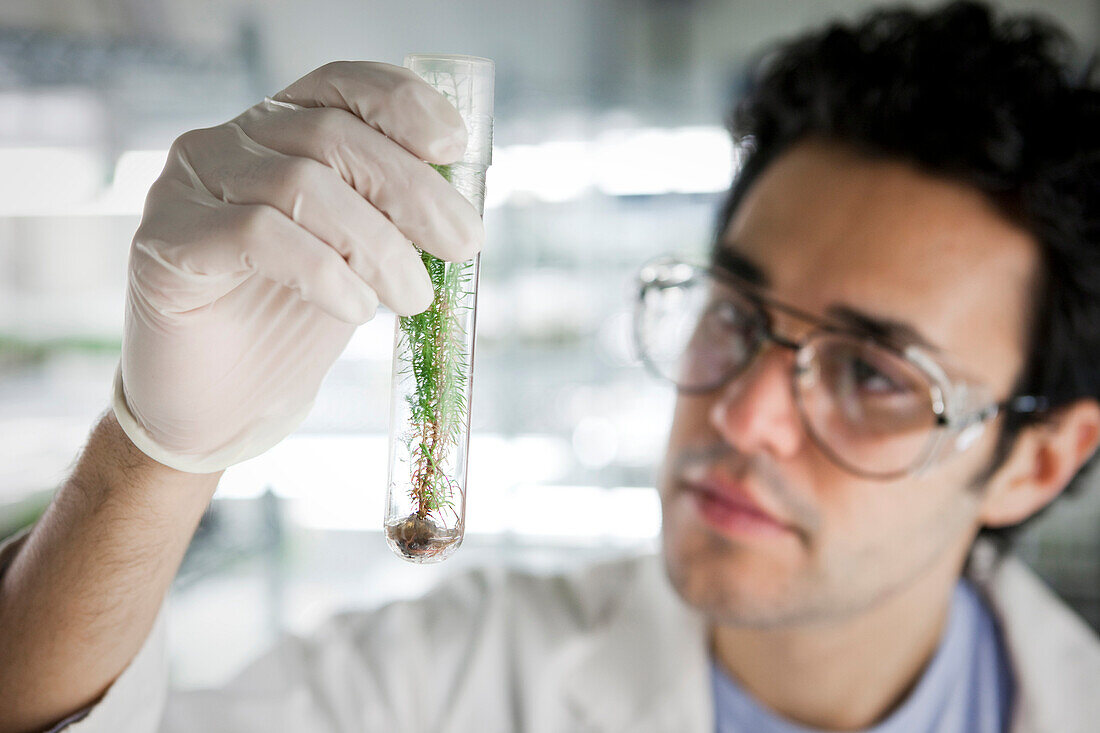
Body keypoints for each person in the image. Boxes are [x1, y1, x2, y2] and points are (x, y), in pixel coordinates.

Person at [1, 1, 1098, 731]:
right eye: (735, 310)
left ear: (1035, 460)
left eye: (871, 376)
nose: (744, 413)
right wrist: (154, 455)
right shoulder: (445, 677)